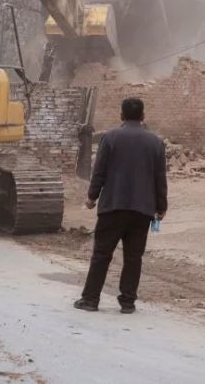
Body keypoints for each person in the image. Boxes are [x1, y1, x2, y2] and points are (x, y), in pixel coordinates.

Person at [74, 97, 167, 314]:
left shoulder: (110, 138)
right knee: (133, 257)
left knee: (102, 254)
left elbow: (99, 172)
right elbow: (160, 178)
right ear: (143, 116)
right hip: (142, 210)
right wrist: (161, 207)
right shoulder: (156, 143)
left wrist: (92, 197)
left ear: (121, 116)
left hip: (112, 207)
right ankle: (127, 302)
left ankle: (90, 299)